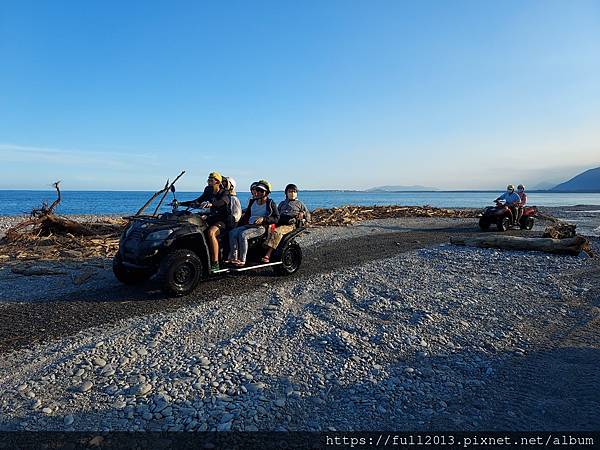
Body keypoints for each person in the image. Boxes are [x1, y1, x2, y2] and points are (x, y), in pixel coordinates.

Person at [180, 172, 230, 272]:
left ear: (218, 182)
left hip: (224, 220)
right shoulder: (208, 190)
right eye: (208, 180)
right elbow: (198, 201)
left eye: (211, 180)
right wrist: (181, 203)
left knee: (211, 232)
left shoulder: (224, 192)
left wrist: (211, 204)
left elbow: (222, 202)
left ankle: (215, 263)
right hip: (212, 218)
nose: (209, 182)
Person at [227, 180, 279, 267]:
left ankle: (242, 260)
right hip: (249, 225)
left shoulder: (270, 203)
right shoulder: (253, 201)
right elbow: (246, 215)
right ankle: (233, 257)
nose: (258, 192)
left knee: (243, 235)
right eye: (257, 190)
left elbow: (276, 218)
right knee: (232, 233)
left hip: (261, 228)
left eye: (261, 191)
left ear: (267, 193)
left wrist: (264, 219)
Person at [262, 183, 311, 263]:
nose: (292, 193)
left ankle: (268, 253)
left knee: (277, 232)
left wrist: (303, 214)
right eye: (290, 191)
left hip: (290, 224)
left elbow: (308, 216)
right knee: (264, 230)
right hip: (279, 221)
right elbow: (275, 214)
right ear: (286, 193)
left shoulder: (300, 204)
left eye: (294, 191)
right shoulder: (282, 203)